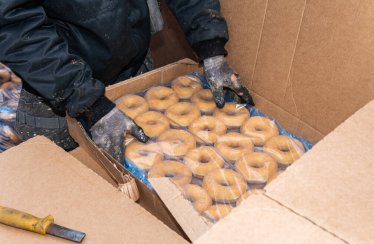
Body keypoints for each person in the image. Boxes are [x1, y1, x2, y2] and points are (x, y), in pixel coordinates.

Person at [0, 0, 253, 163]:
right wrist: (87, 101)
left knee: (150, 176)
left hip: (134, 65)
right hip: (56, 89)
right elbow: (14, 24)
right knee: (67, 190)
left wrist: (211, 47)